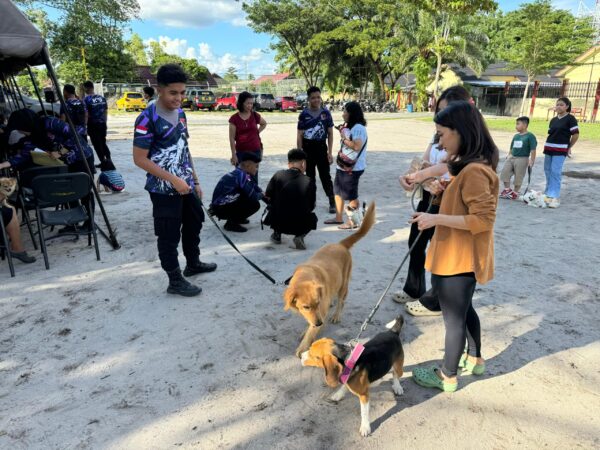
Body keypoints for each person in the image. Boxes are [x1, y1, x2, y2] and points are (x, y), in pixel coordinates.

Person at [410, 101, 499, 392]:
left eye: (442, 133)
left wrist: (435, 216)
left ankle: (447, 374)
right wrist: (444, 190)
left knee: (453, 320)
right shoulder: (470, 168)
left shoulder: (474, 171)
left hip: (458, 260)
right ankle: (475, 358)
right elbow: (466, 203)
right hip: (458, 257)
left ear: (460, 132)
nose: (439, 140)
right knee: (463, 310)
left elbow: (483, 219)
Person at [132, 64, 217, 297]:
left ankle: (193, 263)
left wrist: (195, 181)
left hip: (186, 184)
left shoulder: (181, 113)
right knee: (168, 235)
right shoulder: (146, 118)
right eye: (173, 93)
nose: (179, 98)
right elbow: (139, 159)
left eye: (182, 92)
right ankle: (174, 280)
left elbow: (184, 148)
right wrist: (173, 180)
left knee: (194, 222)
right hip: (163, 189)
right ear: (159, 89)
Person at [395, 85, 471, 313]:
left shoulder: (467, 137)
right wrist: (417, 174)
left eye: (446, 112)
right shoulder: (440, 132)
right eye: (440, 112)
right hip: (430, 194)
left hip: (450, 200)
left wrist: (425, 174)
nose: (441, 118)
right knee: (416, 241)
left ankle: (436, 300)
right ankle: (414, 288)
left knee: (441, 249)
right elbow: (428, 160)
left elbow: (450, 166)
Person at [324, 101, 367, 229]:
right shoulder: (351, 127)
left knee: (350, 195)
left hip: (352, 168)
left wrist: (343, 139)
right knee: (337, 191)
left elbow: (357, 146)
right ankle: (338, 218)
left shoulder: (358, 128)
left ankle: (353, 221)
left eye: (345, 112)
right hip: (343, 165)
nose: (343, 114)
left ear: (351, 113)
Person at [264, 148, 317, 250]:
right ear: (303, 164)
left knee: (274, 206)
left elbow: (268, 195)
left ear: (289, 164)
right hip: (298, 223)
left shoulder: (278, 175)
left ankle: (276, 234)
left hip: (278, 220)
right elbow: (311, 205)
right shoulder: (309, 180)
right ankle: (299, 236)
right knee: (313, 218)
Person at [297, 86, 335, 213]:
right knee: (310, 177)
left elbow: (330, 133)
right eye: (313, 98)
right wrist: (300, 155)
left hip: (321, 148)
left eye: (318, 97)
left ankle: (332, 201)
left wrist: (329, 152)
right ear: (308, 99)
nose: (316, 100)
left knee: (325, 176)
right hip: (308, 149)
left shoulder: (326, 113)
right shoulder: (304, 115)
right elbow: (299, 135)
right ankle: (311, 201)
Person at [209, 152, 265, 232]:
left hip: (221, 206)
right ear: (248, 166)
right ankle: (231, 224)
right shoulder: (241, 176)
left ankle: (237, 218)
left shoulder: (243, 173)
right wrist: (263, 195)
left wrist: (264, 193)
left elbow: (254, 187)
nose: (257, 169)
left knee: (248, 196)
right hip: (220, 209)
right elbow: (254, 196)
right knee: (254, 204)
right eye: (256, 166)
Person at [542, 97, 579, 208]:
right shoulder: (553, 120)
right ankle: (548, 193)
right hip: (549, 148)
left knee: (555, 171)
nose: (558, 106)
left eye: (561, 105)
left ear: (567, 106)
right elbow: (551, 134)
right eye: (557, 104)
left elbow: (576, 135)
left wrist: (569, 147)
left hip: (561, 149)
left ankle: (554, 197)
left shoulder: (570, 119)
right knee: (547, 170)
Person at [228, 91, 266, 175]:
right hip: (241, 153)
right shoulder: (234, 119)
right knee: (241, 178)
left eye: (251, 103)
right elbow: (231, 138)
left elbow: (264, 123)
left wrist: (257, 133)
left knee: (253, 177)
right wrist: (233, 155)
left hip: (255, 151)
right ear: (241, 103)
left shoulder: (255, 115)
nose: (250, 106)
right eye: (248, 103)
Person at [499, 116, 537, 199]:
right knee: (505, 172)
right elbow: (512, 147)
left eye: (518, 124)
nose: (516, 126)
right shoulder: (516, 136)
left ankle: (515, 192)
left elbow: (533, 150)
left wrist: (532, 160)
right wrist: (509, 155)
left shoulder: (530, 136)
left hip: (522, 159)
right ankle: (507, 190)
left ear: (524, 125)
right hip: (512, 157)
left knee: (518, 176)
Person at [83, 81, 113, 169]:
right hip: (102, 124)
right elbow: (105, 111)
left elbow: (86, 114)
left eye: (84, 88)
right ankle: (109, 160)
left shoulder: (86, 100)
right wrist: (105, 122)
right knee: (103, 143)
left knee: (97, 145)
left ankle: (103, 162)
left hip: (93, 125)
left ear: (87, 88)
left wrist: (85, 125)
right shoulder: (102, 98)